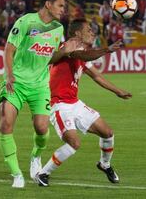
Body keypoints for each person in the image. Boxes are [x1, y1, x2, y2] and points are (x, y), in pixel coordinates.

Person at [0, 0, 79, 188]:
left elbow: (51, 58)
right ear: (48, 5)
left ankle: (36, 156)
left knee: (41, 127)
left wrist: (63, 52)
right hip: (16, 82)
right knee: (5, 123)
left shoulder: (58, 29)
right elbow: (9, 49)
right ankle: (16, 174)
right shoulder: (26, 22)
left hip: (40, 85)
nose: (63, 10)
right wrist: (9, 74)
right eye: (60, 6)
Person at [35, 19, 132, 187]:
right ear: (77, 34)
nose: (93, 33)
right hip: (59, 104)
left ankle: (104, 164)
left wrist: (118, 91)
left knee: (107, 133)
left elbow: (96, 75)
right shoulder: (70, 46)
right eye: (89, 30)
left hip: (75, 103)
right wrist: (106, 50)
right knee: (74, 143)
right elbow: (82, 55)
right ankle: (43, 173)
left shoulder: (82, 50)